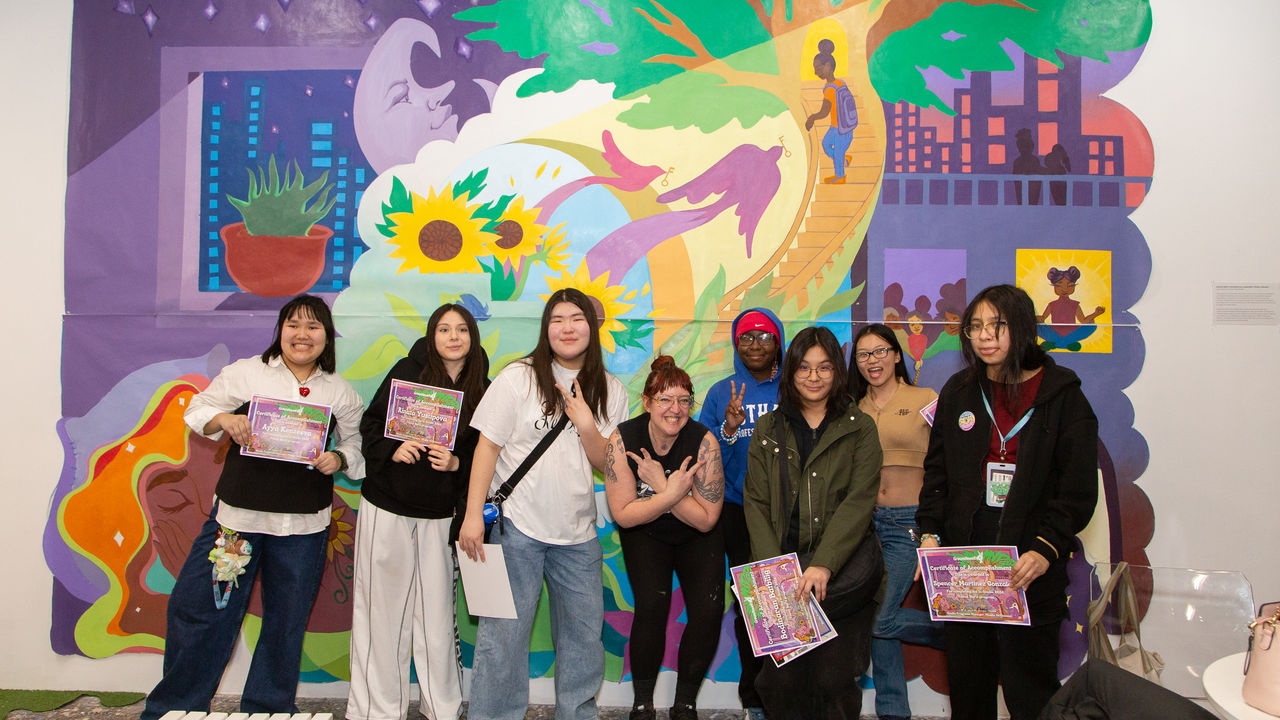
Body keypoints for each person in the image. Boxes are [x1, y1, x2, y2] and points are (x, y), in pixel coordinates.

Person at [141, 295, 365, 720]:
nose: (302, 335)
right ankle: (175, 708)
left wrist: (339, 459)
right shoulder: (246, 373)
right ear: (280, 330)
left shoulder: (340, 392)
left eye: (313, 327)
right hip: (237, 524)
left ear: (326, 337)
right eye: (293, 325)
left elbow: (357, 444)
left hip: (305, 526)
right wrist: (225, 421)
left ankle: (269, 708)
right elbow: (197, 409)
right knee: (204, 613)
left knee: (286, 623)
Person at [917, 284, 1099, 720]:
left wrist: (1045, 549)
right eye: (976, 327)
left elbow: (1076, 492)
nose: (985, 336)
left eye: (997, 326)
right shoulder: (960, 391)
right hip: (966, 559)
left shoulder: (1064, 396)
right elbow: (937, 473)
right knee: (968, 682)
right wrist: (929, 532)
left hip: (1030, 560)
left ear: (1021, 329)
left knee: (1030, 686)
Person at [457, 288, 629, 720]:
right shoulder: (518, 377)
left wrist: (587, 424)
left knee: (584, 639)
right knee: (503, 639)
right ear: (546, 328)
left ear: (593, 327)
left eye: (577, 318)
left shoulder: (610, 389)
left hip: (579, 535)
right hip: (516, 529)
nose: (568, 328)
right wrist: (473, 515)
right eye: (558, 319)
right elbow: (487, 448)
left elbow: (606, 466)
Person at [346, 303, 490, 720]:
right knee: (380, 614)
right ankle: (376, 710)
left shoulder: (485, 387)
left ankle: (442, 708)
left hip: (442, 516)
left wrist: (457, 464)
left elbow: (488, 450)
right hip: (386, 507)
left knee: (437, 621)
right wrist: (394, 448)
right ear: (432, 335)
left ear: (472, 337)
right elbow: (371, 426)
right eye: (443, 329)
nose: (453, 337)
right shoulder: (405, 372)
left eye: (461, 329)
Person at [744, 326, 883, 720]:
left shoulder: (860, 427)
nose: (814, 376)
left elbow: (859, 501)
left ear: (838, 373)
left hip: (841, 578)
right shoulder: (769, 428)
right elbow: (754, 501)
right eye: (804, 367)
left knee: (834, 680)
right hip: (784, 577)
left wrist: (823, 563)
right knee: (780, 682)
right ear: (789, 372)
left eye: (824, 367)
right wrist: (774, 572)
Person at [604, 356, 725, 720]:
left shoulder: (704, 441)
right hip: (646, 531)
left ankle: (685, 703)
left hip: (694, 536)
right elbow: (624, 514)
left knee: (707, 612)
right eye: (665, 400)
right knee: (651, 608)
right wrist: (671, 495)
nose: (675, 409)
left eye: (684, 400)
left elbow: (706, 521)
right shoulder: (623, 438)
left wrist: (659, 488)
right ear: (647, 402)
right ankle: (642, 703)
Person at [849, 324, 945, 720]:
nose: (873, 360)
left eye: (880, 351)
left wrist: (934, 528)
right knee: (877, 619)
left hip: (910, 524)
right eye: (864, 354)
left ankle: (966, 632)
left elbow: (948, 461)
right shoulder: (854, 409)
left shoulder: (926, 398)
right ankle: (893, 712)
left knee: (879, 617)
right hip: (866, 524)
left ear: (897, 354)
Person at [697, 308, 786, 720]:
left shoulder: (795, 387)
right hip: (735, 513)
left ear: (779, 343)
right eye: (746, 337)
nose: (755, 344)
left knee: (787, 603)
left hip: (788, 513)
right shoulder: (721, 393)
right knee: (750, 606)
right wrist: (730, 428)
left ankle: (788, 695)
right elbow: (707, 461)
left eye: (764, 337)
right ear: (736, 344)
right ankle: (755, 700)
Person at [805, 41, 856, 185]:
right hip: (837, 127)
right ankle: (844, 160)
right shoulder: (840, 83)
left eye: (819, 68)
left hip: (842, 129)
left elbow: (824, 112)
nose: (816, 72)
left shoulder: (830, 89)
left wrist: (812, 118)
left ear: (829, 66)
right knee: (826, 144)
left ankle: (840, 176)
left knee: (837, 151)